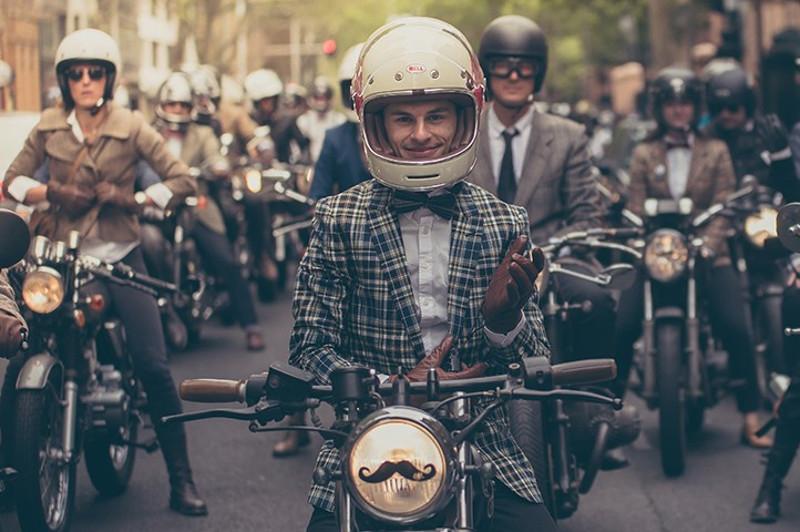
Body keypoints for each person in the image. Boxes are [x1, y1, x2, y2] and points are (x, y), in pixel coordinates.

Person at [290, 17, 555, 531]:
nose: (421, 134)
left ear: (464, 120)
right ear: (376, 126)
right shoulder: (337, 218)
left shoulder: (504, 219)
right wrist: (391, 384)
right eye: (402, 119)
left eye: (437, 116)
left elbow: (534, 361)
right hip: (367, 436)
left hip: (479, 438)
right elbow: (308, 348)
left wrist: (503, 322)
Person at [2, 28, 207, 515]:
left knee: (154, 366)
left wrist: (132, 198)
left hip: (118, 258)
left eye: (96, 73)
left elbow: (182, 179)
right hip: (57, 259)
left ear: (110, 79)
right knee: (21, 347)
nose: (87, 81)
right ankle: (15, 468)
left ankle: (182, 480)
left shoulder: (132, 125)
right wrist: (50, 194)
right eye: (77, 73)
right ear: (65, 80)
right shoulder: (49, 126)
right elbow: (11, 180)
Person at [467, 15, 624, 469]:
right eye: (503, 67)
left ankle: (593, 410)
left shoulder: (568, 135)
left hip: (553, 258)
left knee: (598, 298)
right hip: (479, 264)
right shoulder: (464, 130)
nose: (514, 76)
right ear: (487, 72)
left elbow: (586, 212)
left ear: (540, 72)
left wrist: (562, 251)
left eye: (525, 67)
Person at [615, 67, 771, 448]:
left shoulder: (715, 150)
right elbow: (634, 208)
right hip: (658, 254)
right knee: (621, 323)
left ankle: (751, 417)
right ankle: (609, 419)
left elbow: (724, 206)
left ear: (695, 106)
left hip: (707, 254)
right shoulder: (643, 152)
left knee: (736, 324)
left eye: (685, 103)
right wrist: (640, 240)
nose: (679, 110)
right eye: (671, 103)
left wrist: (706, 246)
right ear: (660, 108)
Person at [149, 72, 265, 351]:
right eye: (172, 105)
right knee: (142, 248)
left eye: (183, 106)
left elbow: (216, 156)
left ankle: (250, 326)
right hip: (158, 206)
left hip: (195, 203)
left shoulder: (202, 134)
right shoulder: (150, 134)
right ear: (162, 106)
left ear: (192, 108)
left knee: (224, 257)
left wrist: (217, 166)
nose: (177, 111)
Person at [307, 43, 371, 201]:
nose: (359, 97)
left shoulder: (405, 135)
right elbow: (318, 197)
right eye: (354, 90)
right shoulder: (335, 139)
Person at [296, 76, 345, 162]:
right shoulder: (304, 121)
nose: (321, 102)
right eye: (317, 98)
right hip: (311, 165)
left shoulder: (339, 120)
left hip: (334, 163)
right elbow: (298, 149)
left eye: (324, 98)